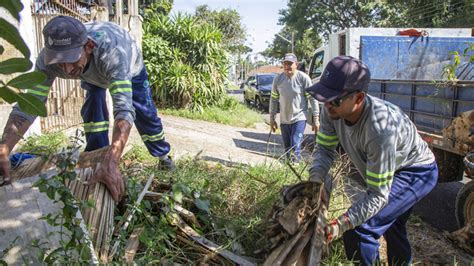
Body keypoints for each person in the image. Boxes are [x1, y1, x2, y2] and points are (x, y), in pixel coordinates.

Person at [0, 16, 174, 201]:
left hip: (129, 64)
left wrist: (114, 160)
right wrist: (4, 149)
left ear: (89, 46)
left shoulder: (113, 54)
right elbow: (29, 104)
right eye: (60, 62)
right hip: (92, 74)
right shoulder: (47, 61)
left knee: (144, 113)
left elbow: (124, 109)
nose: (66, 70)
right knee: (93, 110)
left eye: (72, 59)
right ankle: (97, 156)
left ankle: (163, 156)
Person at [306, 55, 438, 265]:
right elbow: (324, 150)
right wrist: (315, 184)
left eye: (335, 100)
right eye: (323, 97)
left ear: (358, 98)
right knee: (391, 225)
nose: (327, 105)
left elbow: (378, 195)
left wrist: (340, 225)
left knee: (360, 231)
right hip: (391, 167)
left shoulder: (379, 130)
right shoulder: (330, 110)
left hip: (416, 171)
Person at [269, 53, 320, 162]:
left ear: (296, 64)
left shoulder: (304, 79)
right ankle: (290, 171)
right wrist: (272, 119)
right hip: (284, 120)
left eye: (290, 64)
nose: (287, 66)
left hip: (299, 118)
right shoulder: (278, 80)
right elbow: (273, 100)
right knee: (287, 149)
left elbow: (312, 98)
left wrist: (316, 119)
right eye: (285, 63)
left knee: (295, 146)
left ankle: (295, 166)